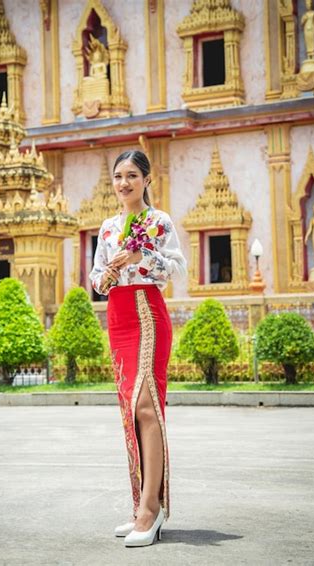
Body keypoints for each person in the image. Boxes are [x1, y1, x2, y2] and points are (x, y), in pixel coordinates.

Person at [89, 150, 187, 547]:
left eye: (132, 175)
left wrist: (141, 256)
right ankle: (140, 505)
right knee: (130, 412)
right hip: (118, 316)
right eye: (117, 176)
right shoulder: (108, 226)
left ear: (147, 179)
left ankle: (151, 508)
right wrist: (109, 271)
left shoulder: (158, 222)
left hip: (147, 313)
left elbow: (177, 269)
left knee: (147, 407)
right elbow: (96, 280)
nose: (123, 182)